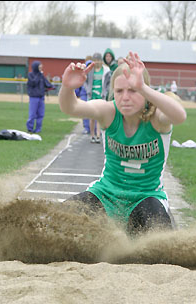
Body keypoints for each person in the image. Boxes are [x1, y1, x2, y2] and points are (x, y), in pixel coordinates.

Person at [59, 51, 187, 234]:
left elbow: (180, 116)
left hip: (146, 197)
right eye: (119, 91)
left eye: (133, 90)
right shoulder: (108, 112)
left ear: (144, 92)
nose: (125, 97)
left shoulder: (157, 117)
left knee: (160, 243)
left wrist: (143, 88)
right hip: (107, 194)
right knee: (58, 220)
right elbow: (71, 107)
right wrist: (67, 87)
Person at [84, 52, 111, 143]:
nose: (97, 62)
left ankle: (98, 135)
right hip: (92, 95)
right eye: (95, 60)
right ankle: (92, 135)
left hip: (101, 95)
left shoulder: (105, 70)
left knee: (99, 116)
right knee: (92, 117)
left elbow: (108, 82)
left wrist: (106, 91)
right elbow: (85, 80)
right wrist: (87, 89)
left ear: (101, 61)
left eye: (98, 60)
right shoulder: (90, 70)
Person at [26, 61, 55, 133]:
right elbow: (33, 83)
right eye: (39, 66)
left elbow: (47, 83)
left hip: (41, 97)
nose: (41, 68)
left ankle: (38, 129)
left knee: (40, 114)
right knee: (32, 114)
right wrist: (39, 75)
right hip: (34, 97)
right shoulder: (31, 75)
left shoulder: (41, 75)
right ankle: (30, 128)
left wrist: (52, 87)